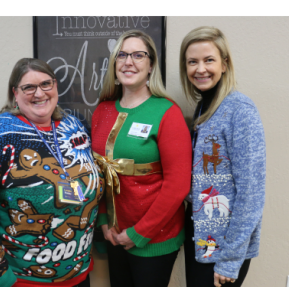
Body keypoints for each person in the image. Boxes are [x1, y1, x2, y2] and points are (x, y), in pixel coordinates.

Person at [0, 58, 105, 287]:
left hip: (78, 272)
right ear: (15, 93)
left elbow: (94, 178)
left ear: (56, 86)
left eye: (46, 84)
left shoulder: (74, 126)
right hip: (24, 279)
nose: (39, 93)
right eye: (29, 87)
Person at [91, 30, 192, 287]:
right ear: (114, 64)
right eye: (122, 55)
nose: (129, 61)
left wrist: (139, 233)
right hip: (113, 233)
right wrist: (104, 222)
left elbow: (178, 185)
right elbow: (99, 174)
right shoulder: (102, 111)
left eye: (138, 55)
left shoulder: (166, 112)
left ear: (151, 65)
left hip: (154, 237)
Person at [179, 26, 266, 287]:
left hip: (224, 251)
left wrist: (230, 260)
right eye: (192, 62)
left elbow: (251, 194)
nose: (200, 69)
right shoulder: (204, 107)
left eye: (209, 60)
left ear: (225, 64)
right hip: (201, 240)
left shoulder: (240, 110)